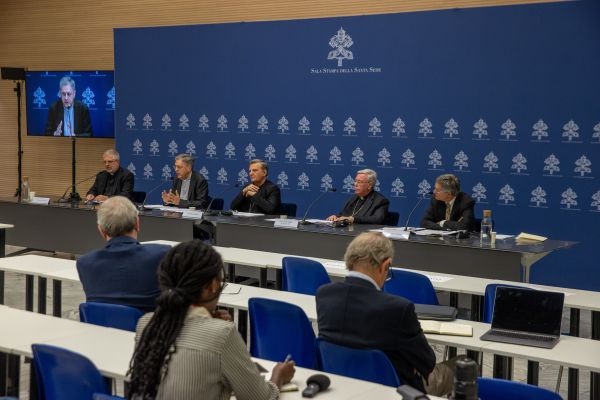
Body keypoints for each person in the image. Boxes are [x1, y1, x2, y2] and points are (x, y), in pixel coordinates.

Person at [128, 240, 295, 399]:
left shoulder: (147, 323)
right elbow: (260, 398)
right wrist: (278, 375)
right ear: (212, 286)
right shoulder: (222, 334)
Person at [316, 232, 458, 396]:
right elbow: (427, 362)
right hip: (397, 391)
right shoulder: (398, 308)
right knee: (464, 365)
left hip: (342, 384)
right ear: (385, 265)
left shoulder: (324, 295)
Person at [76, 196, 171, 312]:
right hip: (148, 329)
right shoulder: (162, 255)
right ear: (137, 223)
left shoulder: (85, 263)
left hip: (102, 328)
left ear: (101, 230)